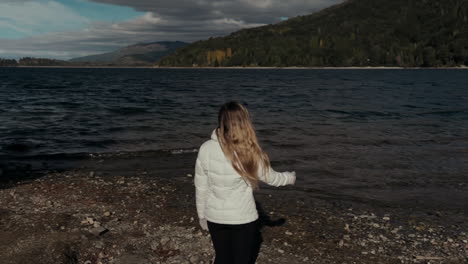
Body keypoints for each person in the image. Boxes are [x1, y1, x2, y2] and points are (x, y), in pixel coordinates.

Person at [194, 101, 296, 264]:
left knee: (222, 258)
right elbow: (273, 178)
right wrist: (290, 177)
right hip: (242, 218)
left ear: (221, 122)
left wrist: (201, 216)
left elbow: (201, 187)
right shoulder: (250, 151)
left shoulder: (205, 148)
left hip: (214, 217)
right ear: (244, 122)